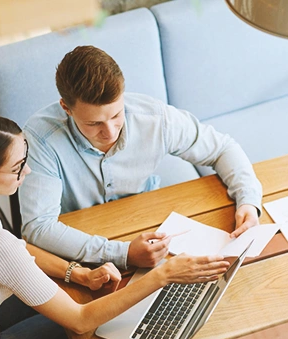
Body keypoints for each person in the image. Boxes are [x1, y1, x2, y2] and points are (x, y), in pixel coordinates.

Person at [0, 113, 231, 339]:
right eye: (17, 168)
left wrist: (77, 272)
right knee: (104, 333)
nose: (28, 171)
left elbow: (16, 247)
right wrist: (165, 274)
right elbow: (80, 320)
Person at [19, 45, 262, 269]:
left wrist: (248, 201)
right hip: (77, 246)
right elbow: (38, 226)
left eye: (116, 115)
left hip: (150, 226)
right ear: (66, 108)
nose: (110, 132)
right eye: (94, 123)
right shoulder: (40, 139)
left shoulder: (155, 119)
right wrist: (122, 254)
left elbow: (222, 148)